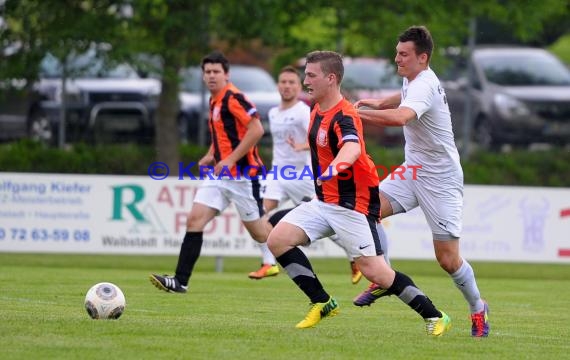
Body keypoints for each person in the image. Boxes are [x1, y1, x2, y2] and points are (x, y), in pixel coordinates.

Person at [267, 50, 451, 336]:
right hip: (324, 201)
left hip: (351, 206)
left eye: (311, 75)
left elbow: (351, 147)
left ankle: (436, 315)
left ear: (331, 79)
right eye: (306, 74)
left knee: (377, 273)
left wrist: (335, 167)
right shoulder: (317, 109)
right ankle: (322, 302)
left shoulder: (345, 115)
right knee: (277, 239)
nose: (305, 81)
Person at [353, 25, 490, 338]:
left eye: (403, 54)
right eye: (397, 52)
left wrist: (356, 113)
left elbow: (403, 116)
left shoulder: (425, 84)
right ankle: (383, 278)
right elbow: (403, 98)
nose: (397, 58)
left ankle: (477, 307)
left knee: (447, 259)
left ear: (422, 57)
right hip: (412, 171)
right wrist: (378, 102)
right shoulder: (413, 79)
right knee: (365, 209)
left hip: (440, 180)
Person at [149, 51, 269, 293]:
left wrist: (231, 159)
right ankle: (180, 281)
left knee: (261, 234)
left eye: (217, 72)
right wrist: (212, 154)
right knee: (194, 220)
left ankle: (295, 230)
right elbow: (224, 135)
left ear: (227, 75)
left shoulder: (234, 98)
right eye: (208, 72)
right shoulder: (214, 99)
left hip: (244, 177)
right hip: (220, 176)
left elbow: (256, 130)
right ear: (203, 76)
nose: (212, 76)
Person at [249, 65, 362, 284]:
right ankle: (268, 264)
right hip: (279, 175)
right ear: (278, 85)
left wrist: (302, 147)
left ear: (298, 86)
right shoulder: (273, 112)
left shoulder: (303, 111)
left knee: (327, 219)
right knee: (258, 213)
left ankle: (354, 255)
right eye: (283, 82)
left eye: (292, 82)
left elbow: (317, 140)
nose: (287, 86)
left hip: (302, 176)